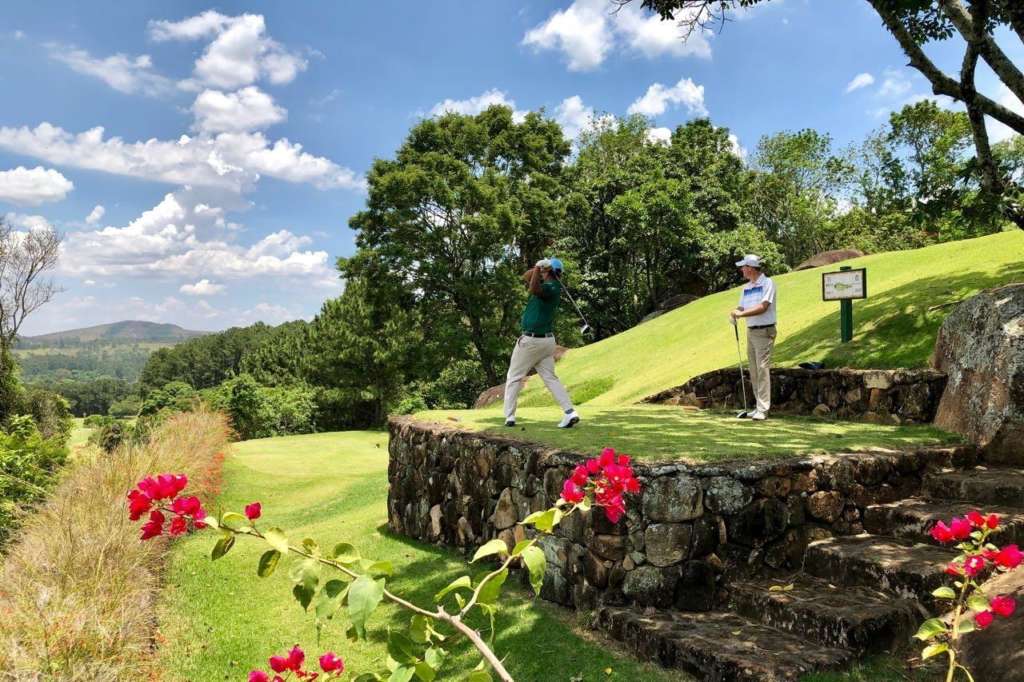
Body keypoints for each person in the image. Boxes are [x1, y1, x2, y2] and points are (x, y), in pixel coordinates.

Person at [503, 257, 580, 429]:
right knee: (550, 378)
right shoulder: (552, 285)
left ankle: (509, 417)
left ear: (549, 272)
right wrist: (538, 267)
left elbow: (532, 288)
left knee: (514, 377)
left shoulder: (551, 287)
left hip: (531, 341)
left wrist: (540, 268)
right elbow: (526, 276)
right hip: (546, 343)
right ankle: (570, 412)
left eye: (545, 270)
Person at [730, 254, 777, 421]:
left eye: (744, 267)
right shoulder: (747, 287)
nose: (742, 269)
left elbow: (763, 307)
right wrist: (735, 312)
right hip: (751, 331)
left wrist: (741, 314)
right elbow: (741, 306)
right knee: (754, 370)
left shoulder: (768, 283)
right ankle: (758, 406)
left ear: (750, 267)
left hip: (764, 331)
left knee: (762, 369)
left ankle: (763, 409)